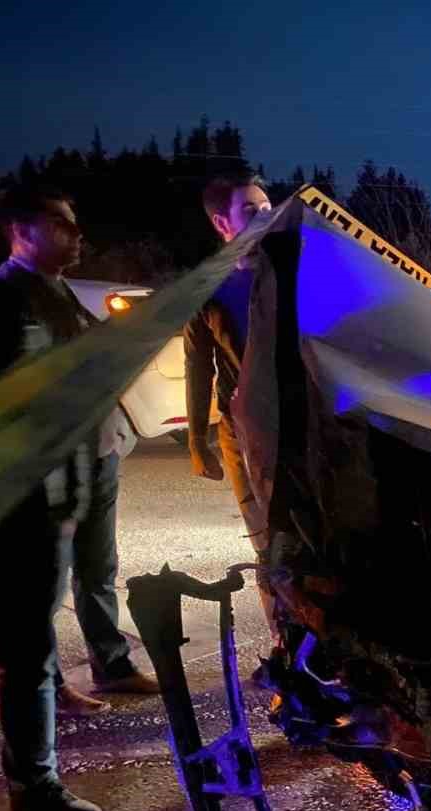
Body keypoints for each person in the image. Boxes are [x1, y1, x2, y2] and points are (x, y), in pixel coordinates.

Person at [0, 182, 104, 811]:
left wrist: (69, 504)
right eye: (60, 223)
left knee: (28, 660)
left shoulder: (36, 302)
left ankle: (38, 791)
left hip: (33, 516)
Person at [0, 185, 159, 713]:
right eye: (61, 224)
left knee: (97, 569)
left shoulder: (61, 290)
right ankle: (43, 685)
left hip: (98, 450)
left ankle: (112, 664)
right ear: (21, 233)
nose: (78, 235)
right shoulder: (4, 297)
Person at [185, 173, 275, 628]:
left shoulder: (292, 270)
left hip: (301, 428)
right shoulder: (208, 289)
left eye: (267, 205)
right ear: (223, 222)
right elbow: (199, 366)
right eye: (252, 210)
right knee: (267, 548)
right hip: (243, 435)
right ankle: (288, 650)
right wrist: (197, 441)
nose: (266, 214)